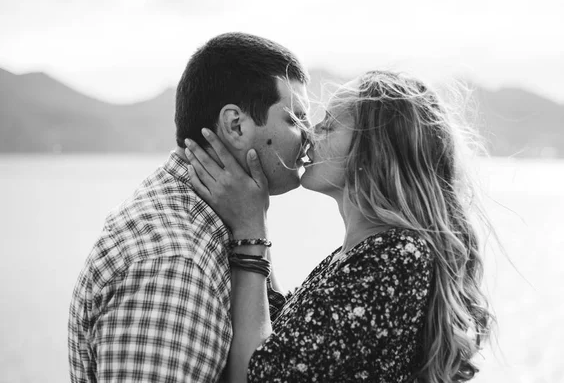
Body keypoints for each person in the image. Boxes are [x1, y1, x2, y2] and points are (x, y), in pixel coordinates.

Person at [184, 70, 495, 382]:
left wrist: (250, 231)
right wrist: (255, 217)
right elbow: (284, 336)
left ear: (373, 151)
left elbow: (257, 375)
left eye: (329, 124)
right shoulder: (362, 253)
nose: (309, 132)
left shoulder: (394, 259)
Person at [68, 32, 311, 382]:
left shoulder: (213, 218)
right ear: (235, 125)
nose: (309, 134)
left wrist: (254, 225)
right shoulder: (173, 266)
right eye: (293, 119)